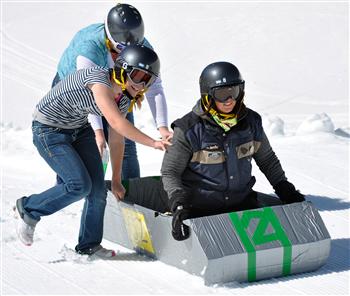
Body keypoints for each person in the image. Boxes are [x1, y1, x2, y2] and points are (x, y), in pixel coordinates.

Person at [15, 45, 169, 258]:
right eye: (138, 75)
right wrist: (153, 142)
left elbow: (117, 139)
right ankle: (29, 208)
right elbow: (115, 121)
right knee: (79, 186)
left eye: (148, 80)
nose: (142, 84)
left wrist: (116, 179)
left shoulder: (124, 98)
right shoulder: (98, 79)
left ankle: (89, 245)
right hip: (48, 131)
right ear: (123, 69)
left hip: (79, 129)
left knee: (97, 191)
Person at [160, 61, 305, 241]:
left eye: (234, 92)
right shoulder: (188, 129)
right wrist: (178, 203)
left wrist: (284, 188)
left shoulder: (251, 122)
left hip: (242, 206)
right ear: (208, 95)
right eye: (222, 94)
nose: (230, 100)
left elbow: (267, 159)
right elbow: (170, 171)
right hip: (201, 210)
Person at [53, 3, 172, 180]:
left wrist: (162, 128)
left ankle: (130, 194)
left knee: (127, 145)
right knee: (80, 146)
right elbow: (90, 98)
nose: (126, 47)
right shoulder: (90, 48)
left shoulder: (143, 48)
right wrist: (98, 133)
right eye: (120, 46)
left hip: (118, 88)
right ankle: (64, 191)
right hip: (78, 94)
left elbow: (154, 87)